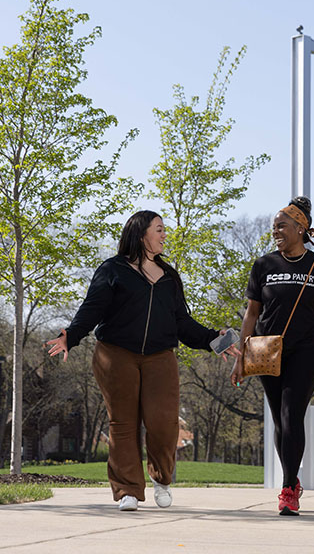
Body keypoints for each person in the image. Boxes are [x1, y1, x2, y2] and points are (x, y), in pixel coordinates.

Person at [47, 210, 238, 512]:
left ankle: (161, 479)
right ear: (141, 234)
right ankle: (128, 490)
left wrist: (215, 339)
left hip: (160, 357)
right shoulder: (113, 270)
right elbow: (92, 309)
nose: (164, 235)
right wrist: (70, 336)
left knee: (163, 423)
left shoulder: (169, 277)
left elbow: (182, 323)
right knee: (123, 423)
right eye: (159, 229)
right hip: (115, 354)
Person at [230, 196, 314, 516]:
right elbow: (251, 314)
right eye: (273, 227)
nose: (275, 231)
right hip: (265, 351)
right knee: (281, 421)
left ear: (301, 228)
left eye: (282, 226)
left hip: (306, 351)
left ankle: (287, 488)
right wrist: (241, 356)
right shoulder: (264, 265)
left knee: (292, 414)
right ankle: (291, 483)